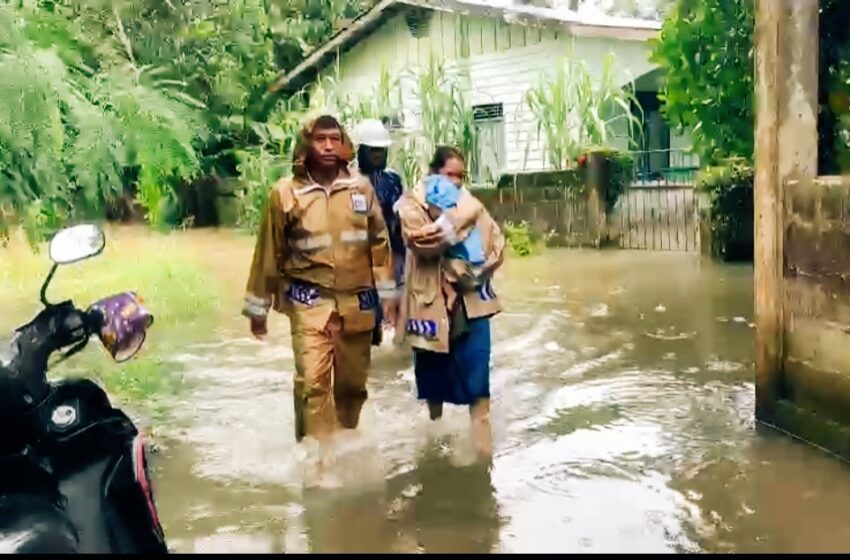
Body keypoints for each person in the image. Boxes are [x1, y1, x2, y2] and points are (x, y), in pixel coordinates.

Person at [242, 114, 398, 478]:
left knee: (352, 386)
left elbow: (380, 245)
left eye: (334, 138)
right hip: (309, 302)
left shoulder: (361, 190)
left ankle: (347, 449)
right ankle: (316, 463)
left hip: (358, 303)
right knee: (312, 382)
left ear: (344, 144)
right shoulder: (285, 193)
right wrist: (258, 308)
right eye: (320, 139)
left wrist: (389, 298)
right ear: (306, 145)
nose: (328, 146)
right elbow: (268, 253)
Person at [394, 146, 506, 457]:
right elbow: (424, 243)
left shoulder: (472, 203)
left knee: (479, 386)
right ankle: (433, 449)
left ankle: (484, 459)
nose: (456, 182)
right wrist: (459, 222)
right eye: (449, 175)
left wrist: (473, 270)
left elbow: (497, 244)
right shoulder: (411, 205)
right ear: (433, 173)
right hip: (430, 307)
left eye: (461, 176)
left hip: (472, 304)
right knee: (433, 389)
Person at [353, 119, 406, 345]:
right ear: (361, 151)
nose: (378, 156)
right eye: (373, 151)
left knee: (398, 318)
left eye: (382, 151)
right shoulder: (348, 183)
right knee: (368, 323)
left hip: (394, 258)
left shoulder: (393, 180)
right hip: (363, 263)